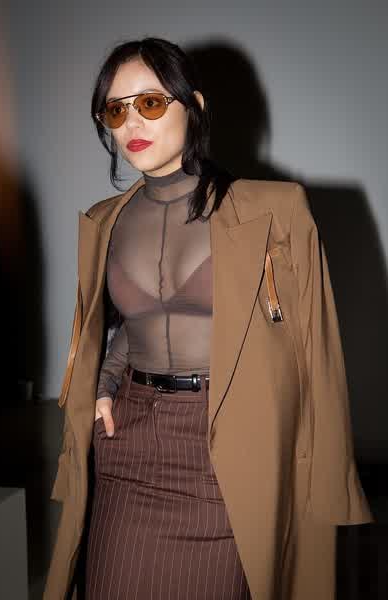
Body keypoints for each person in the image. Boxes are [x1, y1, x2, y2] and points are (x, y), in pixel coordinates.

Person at [43, 37, 373, 600]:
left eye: (150, 103)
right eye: (115, 110)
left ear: (193, 105)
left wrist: (330, 479)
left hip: (226, 448)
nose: (131, 123)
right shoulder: (104, 222)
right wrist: (101, 385)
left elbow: (318, 353)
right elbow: (127, 327)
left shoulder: (272, 211)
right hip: (129, 445)